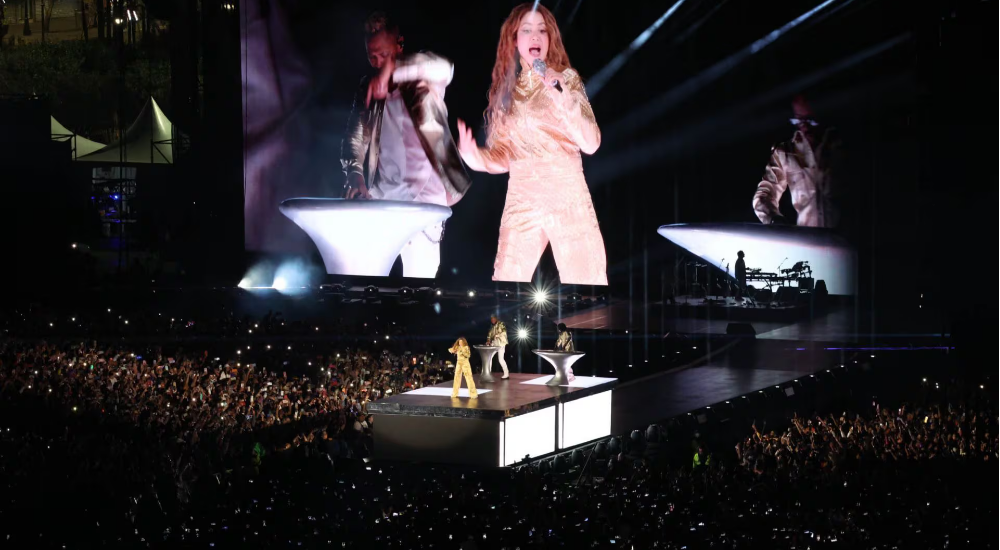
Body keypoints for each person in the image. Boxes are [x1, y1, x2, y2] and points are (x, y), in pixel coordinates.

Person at [456, 3, 607, 286]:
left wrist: (562, 94)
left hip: (567, 195)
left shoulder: (567, 79)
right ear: (515, 40)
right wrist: (475, 157)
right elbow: (503, 157)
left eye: (542, 30)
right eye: (526, 30)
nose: (535, 36)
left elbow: (591, 143)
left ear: (551, 38)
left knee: (588, 283)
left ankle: (586, 331)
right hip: (522, 199)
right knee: (506, 283)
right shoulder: (506, 93)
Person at [341, 11, 472, 278]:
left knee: (418, 288)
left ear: (399, 45)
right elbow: (355, 137)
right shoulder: (368, 88)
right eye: (372, 57)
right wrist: (354, 173)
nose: (378, 63)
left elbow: (445, 67)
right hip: (383, 197)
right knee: (365, 279)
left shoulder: (424, 77)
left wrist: (394, 69)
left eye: (384, 55)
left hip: (425, 202)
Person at [753, 95, 842, 228]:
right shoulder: (785, 153)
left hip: (844, 242)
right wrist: (773, 218)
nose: (805, 127)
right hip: (807, 242)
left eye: (811, 120)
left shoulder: (841, 147)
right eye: (799, 120)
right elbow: (764, 194)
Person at [485, 314, 510, 379]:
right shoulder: (491, 326)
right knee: (489, 358)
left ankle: (506, 374)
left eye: (493, 319)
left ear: (496, 318)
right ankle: (488, 373)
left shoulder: (501, 324)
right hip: (494, 344)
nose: (492, 320)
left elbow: (504, 332)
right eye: (491, 319)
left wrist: (497, 335)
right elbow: (489, 335)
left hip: (501, 344)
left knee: (501, 359)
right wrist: (488, 341)